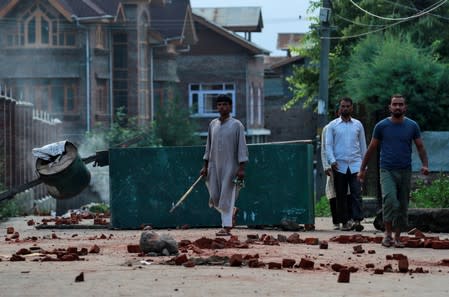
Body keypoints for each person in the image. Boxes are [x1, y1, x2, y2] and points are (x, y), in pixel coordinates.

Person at [358, 94, 429, 248]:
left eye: (401, 104)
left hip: (405, 170)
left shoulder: (412, 126)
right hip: (387, 170)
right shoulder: (381, 126)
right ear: (389, 107)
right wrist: (362, 169)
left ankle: (397, 237)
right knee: (390, 201)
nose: (398, 107)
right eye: (395, 104)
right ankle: (387, 234)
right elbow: (371, 148)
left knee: (403, 204)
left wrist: (425, 164)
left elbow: (420, 146)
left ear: (405, 107)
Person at [200, 94, 249, 236]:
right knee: (215, 197)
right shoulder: (212, 125)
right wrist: (205, 166)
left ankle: (226, 227)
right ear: (217, 107)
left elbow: (242, 147)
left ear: (230, 106)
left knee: (226, 196)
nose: (222, 107)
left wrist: (241, 168)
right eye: (219, 104)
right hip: (214, 166)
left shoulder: (237, 125)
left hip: (231, 167)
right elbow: (208, 147)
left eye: (225, 104)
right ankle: (232, 211)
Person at [325, 97, 367, 231]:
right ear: (339, 108)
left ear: (352, 108)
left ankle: (357, 220)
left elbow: (363, 145)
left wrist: (363, 165)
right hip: (339, 165)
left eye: (348, 106)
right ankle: (344, 222)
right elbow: (328, 145)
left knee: (356, 193)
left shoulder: (358, 125)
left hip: (355, 164)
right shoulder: (332, 125)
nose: (345, 109)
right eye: (343, 106)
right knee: (341, 195)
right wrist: (332, 161)